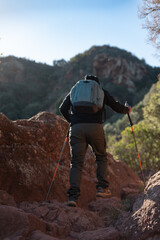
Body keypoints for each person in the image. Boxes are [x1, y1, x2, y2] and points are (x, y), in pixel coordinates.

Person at [59, 75, 132, 207]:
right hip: (95, 128)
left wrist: (73, 121)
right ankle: (102, 188)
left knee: (76, 162)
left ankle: (73, 197)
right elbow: (116, 107)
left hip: (76, 129)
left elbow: (62, 109)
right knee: (101, 157)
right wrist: (127, 110)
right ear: (97, 84)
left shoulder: (75, 90)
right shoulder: (101, 91)